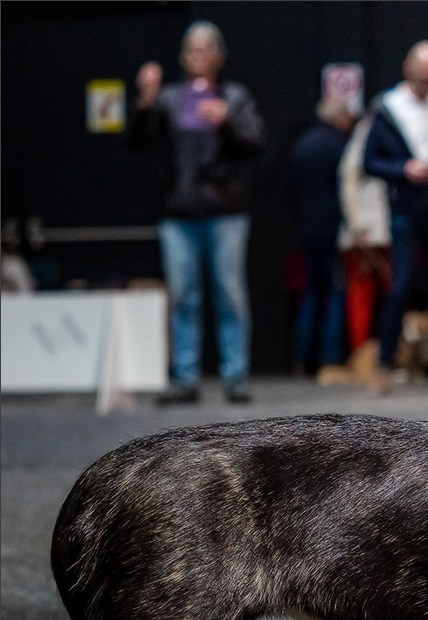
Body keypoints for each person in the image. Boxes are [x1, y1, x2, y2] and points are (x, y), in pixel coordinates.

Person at [127, 21, 265, 404]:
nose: (197, 56)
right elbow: (140, 140)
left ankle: (235, 376)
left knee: (230, 294)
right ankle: (185, 377)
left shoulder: (235, 97)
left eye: (205, 49)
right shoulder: (169, 97)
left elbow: (255, 143)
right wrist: (145, 99)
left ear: (218, 56)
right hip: (178, 210)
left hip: (225, 211)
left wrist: (229, 122)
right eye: (191, 50)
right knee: (184, 296)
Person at [362, 40, 428, 393]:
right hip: (405, 208)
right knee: (400, 284)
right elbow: (369, 161)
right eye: (423, 79)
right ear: (408, 70)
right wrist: (403, 169)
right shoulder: (386, 108)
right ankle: (385, 362)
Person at [288, 96, 356, 379]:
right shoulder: (342, 146)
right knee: (338, 292)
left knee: (312, 293)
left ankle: (302, 358)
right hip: (334, 229)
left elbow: (290, 191)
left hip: (306, 229)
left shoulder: (302, 145)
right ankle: (331, 357)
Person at [338, 109, 392, 363]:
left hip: (392, 229)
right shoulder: (368, 133)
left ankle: (389, 355)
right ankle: (361, 356)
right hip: (367, 231)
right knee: (362, 294)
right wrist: (357, 226)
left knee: (391, 292)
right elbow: (349, 180)